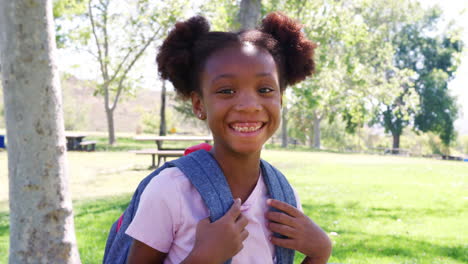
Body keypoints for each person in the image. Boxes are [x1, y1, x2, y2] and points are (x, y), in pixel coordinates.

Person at [125, 12, 332, 264]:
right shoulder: (171, 190)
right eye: (226, 91)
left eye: (265, 89)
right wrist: (202, 259)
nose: (248, 105)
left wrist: (320, 252)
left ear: (280, 99)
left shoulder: (282, 196)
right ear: (199, 104)